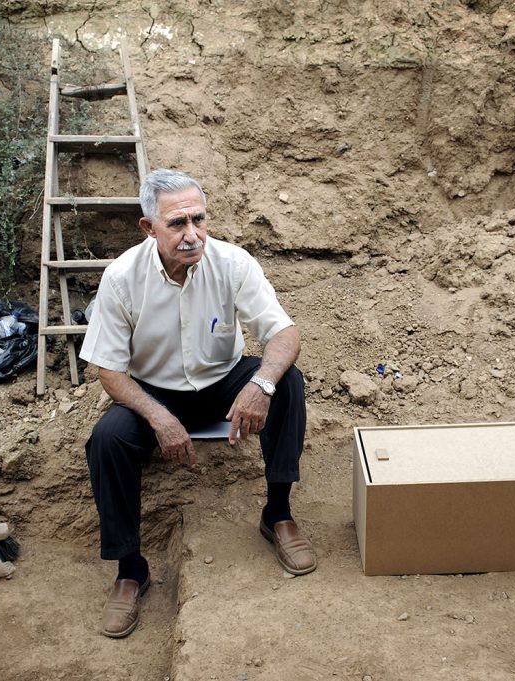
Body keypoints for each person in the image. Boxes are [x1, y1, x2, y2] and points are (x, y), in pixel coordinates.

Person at [79, 168, 315, 639]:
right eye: (177, 224)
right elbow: (109, 369)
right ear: (149, 228)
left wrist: (262, 383)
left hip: (222, 383)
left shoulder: (232, 263)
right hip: (155, 393)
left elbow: (284, 333)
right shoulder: (123, 277)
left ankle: (278, 513)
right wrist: (158, 415)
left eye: (198, 220)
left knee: (288, 382)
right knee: (107, 439)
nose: (192, 235)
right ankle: (130, 569)